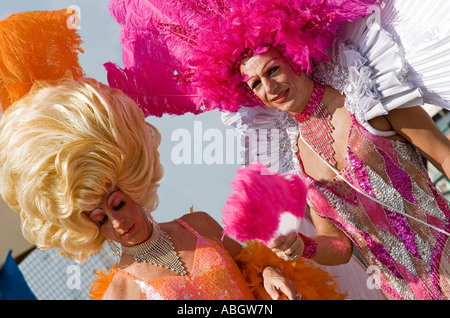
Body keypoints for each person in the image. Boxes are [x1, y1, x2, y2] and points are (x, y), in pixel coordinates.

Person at [104, 0, 450, 299]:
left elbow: (444, 156)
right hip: (402, 292)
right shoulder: (293, 157)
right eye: (255, 83)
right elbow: (342, 246)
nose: (269, 88)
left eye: (273, 70)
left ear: (295, 58)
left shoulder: (368, 95)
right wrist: (304, 245)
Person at [0, 9, 348, 301]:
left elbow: (252, 266)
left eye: (117, 203)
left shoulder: (197, 225)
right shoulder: (120, 292)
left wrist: (271, 273)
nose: (117, 222)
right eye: (100, 218)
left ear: (132, 182)